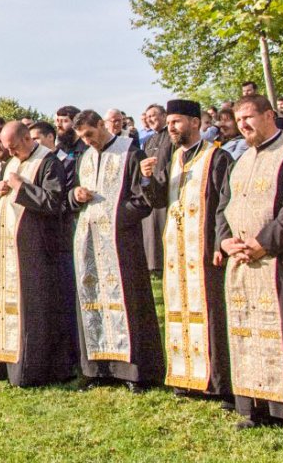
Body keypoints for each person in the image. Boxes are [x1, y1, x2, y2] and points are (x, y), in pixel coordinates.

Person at [217, 95, 283, 444]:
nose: (243, 125)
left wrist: (263, 243)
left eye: (249, 117)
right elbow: (222, 205)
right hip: (243, 263)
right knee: (246, 331)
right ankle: (253, 407)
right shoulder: (240, 160)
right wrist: (224, 241)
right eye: (238, 120)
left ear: (269, 115)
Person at [141, 99, 233, 400]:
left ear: (195, 122)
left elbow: (224, 205)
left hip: (204, 250)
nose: (171, 127)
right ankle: (185, 377)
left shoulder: (217, 157)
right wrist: (146, 178)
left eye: (177, 121)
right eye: (169, 123)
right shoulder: (175, 159)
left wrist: (221, 241)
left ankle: (217, 382)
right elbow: (157, 201)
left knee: (211, 314)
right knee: (178, 312)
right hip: (178, 251)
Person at [71, 110, 165, 392]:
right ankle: (98, 368)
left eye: (89, 134)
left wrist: (116, 215)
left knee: (129, 302)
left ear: (102, 125)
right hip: (89, 240)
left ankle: (134, 371)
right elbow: (73, 193)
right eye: (82, 138)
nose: (87, 142)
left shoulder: (129, 152)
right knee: (93, 300)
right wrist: (75, 196)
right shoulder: (85, 157)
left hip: (121, 240)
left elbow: (143, 199)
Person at [0, 121, 77, 387]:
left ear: (26, 139)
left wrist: (20, 187)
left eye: (13, 147)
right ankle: (6, 364)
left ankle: (31, 369)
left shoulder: (48, 162)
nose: (10, 153)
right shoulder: (10, 163)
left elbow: (53, 202)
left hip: (36, 250)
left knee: (33, 310)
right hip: (7, 250)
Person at [140, 104, 171, 274]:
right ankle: (153, 265)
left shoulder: (171, 137)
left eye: (154, 115)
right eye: (148, 116)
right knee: (150, 228)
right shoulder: (149, 140)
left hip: (165, 187)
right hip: (151, 186)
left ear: (164, 116)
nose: (151, 119)